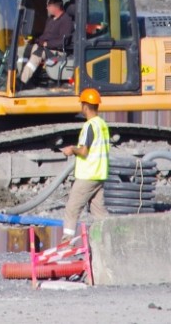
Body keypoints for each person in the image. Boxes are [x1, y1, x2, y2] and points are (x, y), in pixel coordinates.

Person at [60, 88, 110, 240]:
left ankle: (67, 242)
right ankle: (106, 241)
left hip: (88, 176)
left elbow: (84, 151)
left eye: (82, 105)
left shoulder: (90, 126)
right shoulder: (102, 125)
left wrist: (72, 149)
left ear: (86, 106)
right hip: (99, 175)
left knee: (72, 209)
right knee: (99, 213)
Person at [19, 0, 73, 84]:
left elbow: (63, 41)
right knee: (22, 50)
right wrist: (35, 40)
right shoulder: (50, 19)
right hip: (43, 46)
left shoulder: (66, 21)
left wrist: (47, 44)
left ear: (55, 7)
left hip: (56, 50)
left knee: (36, 56)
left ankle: (22, 81)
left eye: (48, 5)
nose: (46, 7)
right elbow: (45, 35)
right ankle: (20, 75)